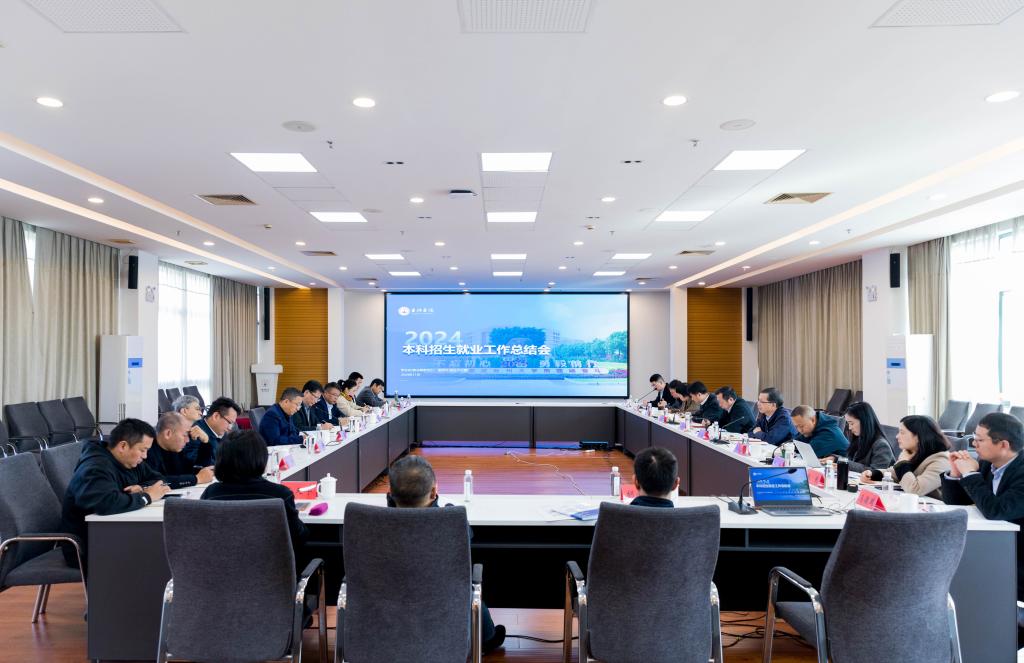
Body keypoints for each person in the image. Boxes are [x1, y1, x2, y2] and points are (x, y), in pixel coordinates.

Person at [387, 455, 506, 654]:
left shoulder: (375, 525)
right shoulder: (452, 521)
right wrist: (446, 509)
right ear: (434, 492)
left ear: (390, 493)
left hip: (388, 607)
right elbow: (467, 537)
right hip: (443, 603)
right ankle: (486, 638)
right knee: (468, 584)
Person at [61, 418, 170, 569]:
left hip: (111, 536)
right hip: (88, 548)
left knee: (164, 545)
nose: (145, 456)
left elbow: (158, 479)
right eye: (142, 450)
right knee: (161, 552)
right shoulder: (95, 467)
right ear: (123, 446)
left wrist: (142, 488)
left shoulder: (128, 461)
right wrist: (147, 496)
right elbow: (106, 503)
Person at [941, 413, 1024, 604]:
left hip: (1017, 557)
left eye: (979, 439)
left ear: (1003, 444)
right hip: (995, 546)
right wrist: (956, 473)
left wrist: (970, 474)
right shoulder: (988, 463)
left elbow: (996, 510)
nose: (973, 444)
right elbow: (959, 502)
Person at [201, 430, 309, 560]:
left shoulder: (211, 493)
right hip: (272, 569)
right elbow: (298, 538)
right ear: (261, 459)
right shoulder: (280, 494)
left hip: (221, 569)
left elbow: (204, 536)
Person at [861, 415, 950, 498]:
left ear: (918, 437)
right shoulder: (913, 452)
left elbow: (915, 490)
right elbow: (894, 474)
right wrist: (872, 474)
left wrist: (903, 463)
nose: (897, 436)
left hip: (934, 508)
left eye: (902, 433)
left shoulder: (941, 461)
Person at [144, 412, 215, 488]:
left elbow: (192, 470)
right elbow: (155, 482)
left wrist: (205, 442)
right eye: (184, 435)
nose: (187, 440)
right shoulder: (146, 450)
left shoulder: (175, 448)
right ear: (168, 433)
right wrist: (197, 479)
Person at [841, 401, 895, 472]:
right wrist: (836, 459)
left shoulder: (881, 445)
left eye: (852, 423)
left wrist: (845, 464)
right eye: (848, 424)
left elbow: (875, 472)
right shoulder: (859, 438)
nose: (850, 428)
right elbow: (852, 461)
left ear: (864, 421)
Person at [193, 396, 242, 462]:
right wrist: (206, 443)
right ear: (216, 416)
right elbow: (198, 464)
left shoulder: (222, 433)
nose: (230, 428)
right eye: (229, 422)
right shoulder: (196, 433)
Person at [172, 393, 209, 463]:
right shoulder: (175, 433)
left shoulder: (197, 429)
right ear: (184, 411)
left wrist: (206, 441)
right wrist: (205, 441)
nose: (201, 413)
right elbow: (192, 461)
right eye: (197, 409)